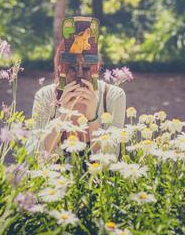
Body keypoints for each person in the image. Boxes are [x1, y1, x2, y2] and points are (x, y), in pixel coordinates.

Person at [28, 16, 126, 157]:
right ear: (60, 68)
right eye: (72, 68)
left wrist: (92, 117)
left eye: (86, 68)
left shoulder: (113, 96)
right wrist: (62, 116)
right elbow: (36, 155)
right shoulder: (45, 96)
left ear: (96, 67)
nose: (79, 74)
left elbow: (111, 157)